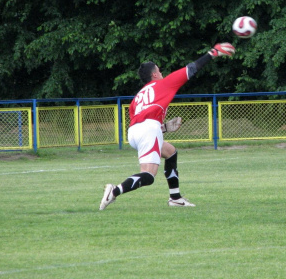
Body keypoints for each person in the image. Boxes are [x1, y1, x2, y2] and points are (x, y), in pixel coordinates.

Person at [99, 42, 235, 210]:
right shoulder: (163, 84)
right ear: (155, 74)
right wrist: (212, 53)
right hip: (148, 129)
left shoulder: (138, 96)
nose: (162, 73)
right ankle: (115, 190)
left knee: (170, 153)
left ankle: (175, 198)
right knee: (148, 176)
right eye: (159, 70)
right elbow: (191, 69)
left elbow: (140, 121)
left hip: (134, 132)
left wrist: (163, 128)